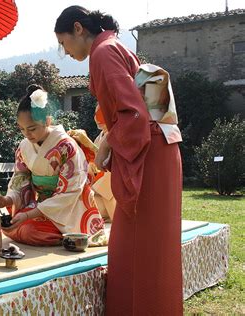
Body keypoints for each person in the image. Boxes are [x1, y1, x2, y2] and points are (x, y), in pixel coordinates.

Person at [55, 6, 183, 315]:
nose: (65, 50)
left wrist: (106, 144)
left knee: (135, 251)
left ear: (78, 28)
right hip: (160, 147)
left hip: (149, 151)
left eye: (63, 42)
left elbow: (135, 114)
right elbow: (140, 105)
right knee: (154, 248)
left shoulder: (103, 53)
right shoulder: (114, 47)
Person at [0, 84, 107, 247]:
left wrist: (29, 215)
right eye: (22, 129)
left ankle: (69, 235)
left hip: (69, 208)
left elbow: (70, 191)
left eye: (31, 128)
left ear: (48, 120)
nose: (26, 134)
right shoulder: (24, 146)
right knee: (8, 225)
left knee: (30, 230)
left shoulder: (66, 146)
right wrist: (6, 200)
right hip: (41, 207)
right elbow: (20, 181)